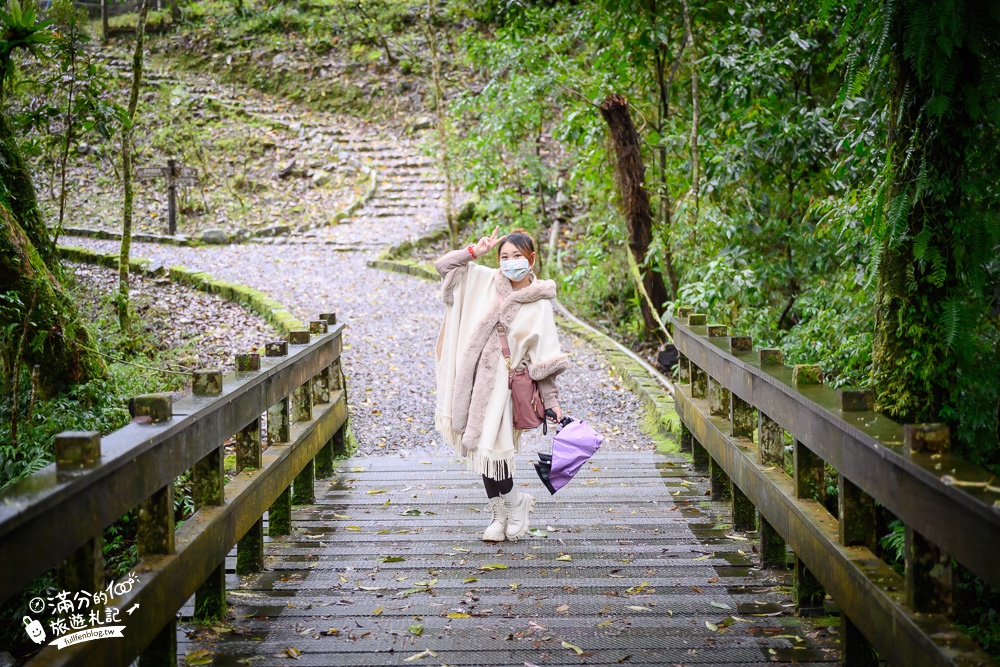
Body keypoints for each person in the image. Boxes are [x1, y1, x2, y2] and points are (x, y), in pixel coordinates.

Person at [434, 227, 568, 542]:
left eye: (517, 256)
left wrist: (552, 402)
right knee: (481, 448)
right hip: (474, 381)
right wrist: (474, 252)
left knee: (493, 449)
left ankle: (514, 504)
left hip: (506, 386)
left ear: (532, 259)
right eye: (504, 257)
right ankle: (500, 512)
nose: (510, 263)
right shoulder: (485, 280)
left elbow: (545, 357)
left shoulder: (540, 304)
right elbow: (443, 267)